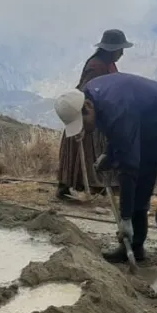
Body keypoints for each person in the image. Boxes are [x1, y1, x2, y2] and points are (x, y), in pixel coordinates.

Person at [53, 72, 157, 279]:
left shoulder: (114, 104)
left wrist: (125, 218)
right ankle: (135, 247)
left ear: (88, 107)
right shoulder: (94, 99)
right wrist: (109, 155)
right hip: (145, 130)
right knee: (139, 186)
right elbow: (119, 133)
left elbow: (129, 166)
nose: (86, 130)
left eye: (83, 123)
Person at [55, 29, 133, 200]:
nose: (122, 53)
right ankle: (86, 185)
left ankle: (102, 185)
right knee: (89, 149)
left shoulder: (109, 65)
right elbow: (87, 90)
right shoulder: (96, 66)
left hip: (101, 112)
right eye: (120, 49)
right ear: (111, 49)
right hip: (87, 112)